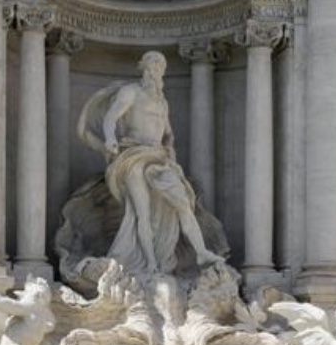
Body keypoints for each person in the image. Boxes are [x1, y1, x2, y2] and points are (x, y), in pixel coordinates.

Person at [77, 50, 225, 276]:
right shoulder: (131, 92)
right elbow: (111, 117)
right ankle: (150, 264)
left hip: (159, 158)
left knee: (183, 204)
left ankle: (201, 251)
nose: (157, 67)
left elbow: (167, 135)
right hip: (133, 155)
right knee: (141, 213)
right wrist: (109, 138)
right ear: (143, 67)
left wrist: (171, 157)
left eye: (161, 64)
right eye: (152, 63)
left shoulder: (162, 102)